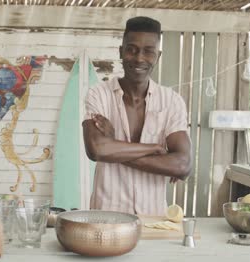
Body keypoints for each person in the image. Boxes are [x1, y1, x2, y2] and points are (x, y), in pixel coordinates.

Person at [82, 16, 192, 216]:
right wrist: (156, 149)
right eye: (132, 49)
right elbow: (97, 149)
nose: (139, 58)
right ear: (121, 51)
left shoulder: (172, 101)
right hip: (106, 217)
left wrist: (114, 144)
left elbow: (182, 165)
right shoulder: (98, 94)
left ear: (157, 56)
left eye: (148, 51)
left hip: (153, 219)